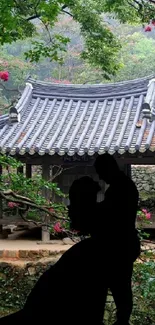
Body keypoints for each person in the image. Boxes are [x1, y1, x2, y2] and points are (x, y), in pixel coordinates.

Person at [0, 177, 107, 325]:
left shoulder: (91, 252)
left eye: (73, 204)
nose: (69, 209)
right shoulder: (91, 250)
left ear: (86, 208)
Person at [94, 153, 141, 325]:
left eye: (100, 171)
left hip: (119, 245)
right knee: (121, 286)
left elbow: (111, 214)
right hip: (124, 243)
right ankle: (122, 320)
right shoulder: (123, 185)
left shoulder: (120, 187)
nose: (100, 176)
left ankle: (122, 321)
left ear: (108, 169)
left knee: (119, 287)